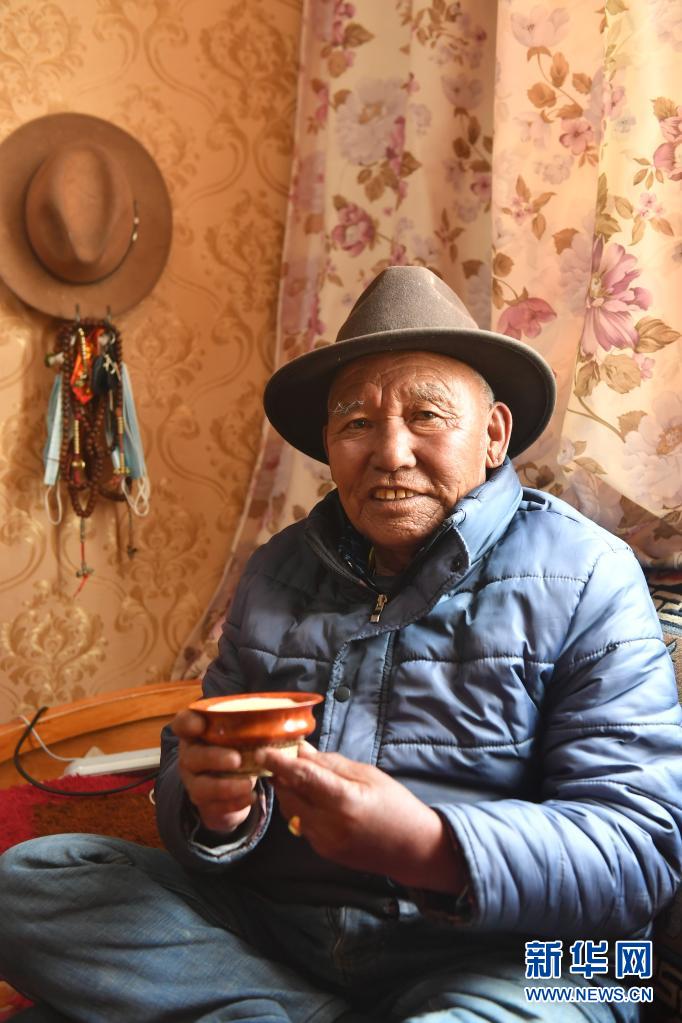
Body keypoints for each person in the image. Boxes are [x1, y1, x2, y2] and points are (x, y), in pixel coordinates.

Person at [0, 265, 680, 1023]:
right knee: (30, 882)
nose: (390, 452)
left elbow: (642, 849)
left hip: (511, 954)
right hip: (286, 938)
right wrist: (213, 813)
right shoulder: (276, 572)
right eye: (356, 423)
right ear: (328, 443)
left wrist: (429, 845)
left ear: (493, 434)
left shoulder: (588, 573)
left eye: (427, 415)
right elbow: (191, 771)